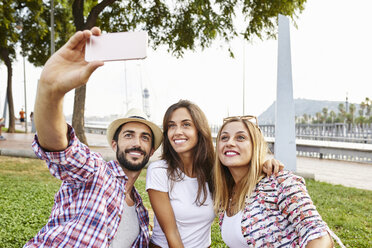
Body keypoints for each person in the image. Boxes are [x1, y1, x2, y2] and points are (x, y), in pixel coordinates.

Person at [24, 27, 163, 248]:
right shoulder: (95, 171)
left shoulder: (141, 212)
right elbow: (61, 149)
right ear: (114, 143)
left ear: (152, 150)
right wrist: (50, 91)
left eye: (145, 138)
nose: (137, 143)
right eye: (129, 135)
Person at [146, 100, 283, 248]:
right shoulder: (159, 171)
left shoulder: (214, 172)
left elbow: (243, 172)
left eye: (186, 124)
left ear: (199, 130)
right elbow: (172, 234)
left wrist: (264, 164)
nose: (177, 131)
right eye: (171, 126)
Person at [213, 115, 345, 247]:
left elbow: (319, 237)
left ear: (255, 146)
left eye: (240, 137)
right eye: (224, 138)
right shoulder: (225, 196)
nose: (229, 143)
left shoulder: (279, 182)